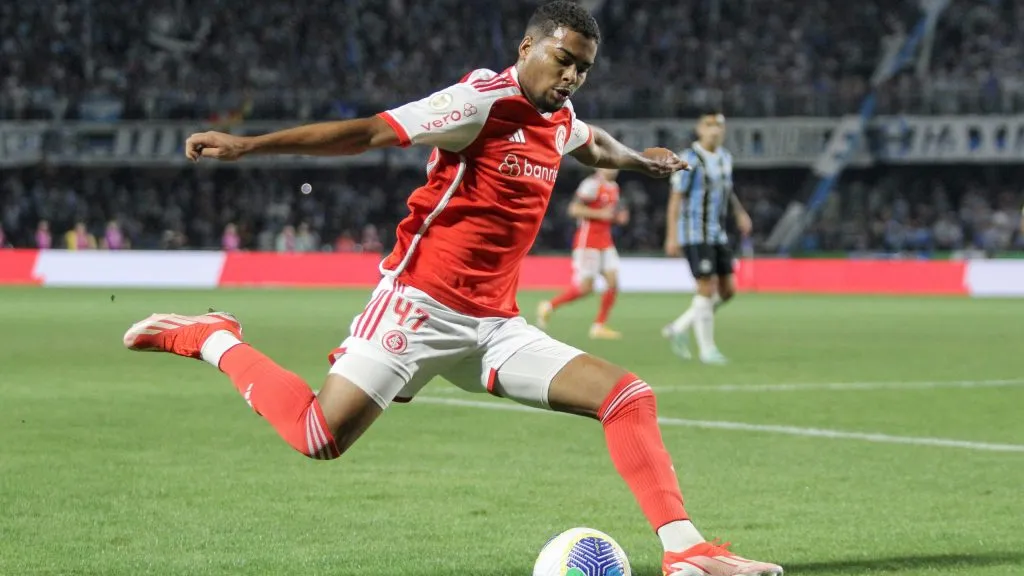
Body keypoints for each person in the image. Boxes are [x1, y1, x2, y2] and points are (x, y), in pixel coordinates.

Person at [122, 3, 781, 575]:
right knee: (318, 435)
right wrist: (248, 147)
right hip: (418, 306)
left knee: (628, 397)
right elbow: (371, 132)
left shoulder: (559, 117)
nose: (571, 77)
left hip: (494, 325)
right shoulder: (481, 102)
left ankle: (685, 552)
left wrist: (640, 162)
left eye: (582, 69)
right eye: (562, 61)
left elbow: (592, 143)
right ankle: (213, 337)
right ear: (527, 48)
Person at [662, 110, 752, 365]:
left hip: (717, 233)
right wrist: (671, 236)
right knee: (706, 288)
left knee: (728, 290)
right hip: (694, 233)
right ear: (700, 129)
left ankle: (679, 327)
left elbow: (727, 190)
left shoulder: (725, 158)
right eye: (709, 125)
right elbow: (675, 198)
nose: (714, 130)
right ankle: (707, 350)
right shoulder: (690, 159)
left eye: (718, 126)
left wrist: (740, 213)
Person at [537, 168, 628, 339]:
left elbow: (609, 213)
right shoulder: (591, 184)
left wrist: (617, 217)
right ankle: (549, 306)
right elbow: (574, 209)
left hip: (606, 241)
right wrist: (600, 214)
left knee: (613, 282)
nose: (614, 168)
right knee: (586, 288)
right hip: (588, 242)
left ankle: (599, 326)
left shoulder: (614, 187)